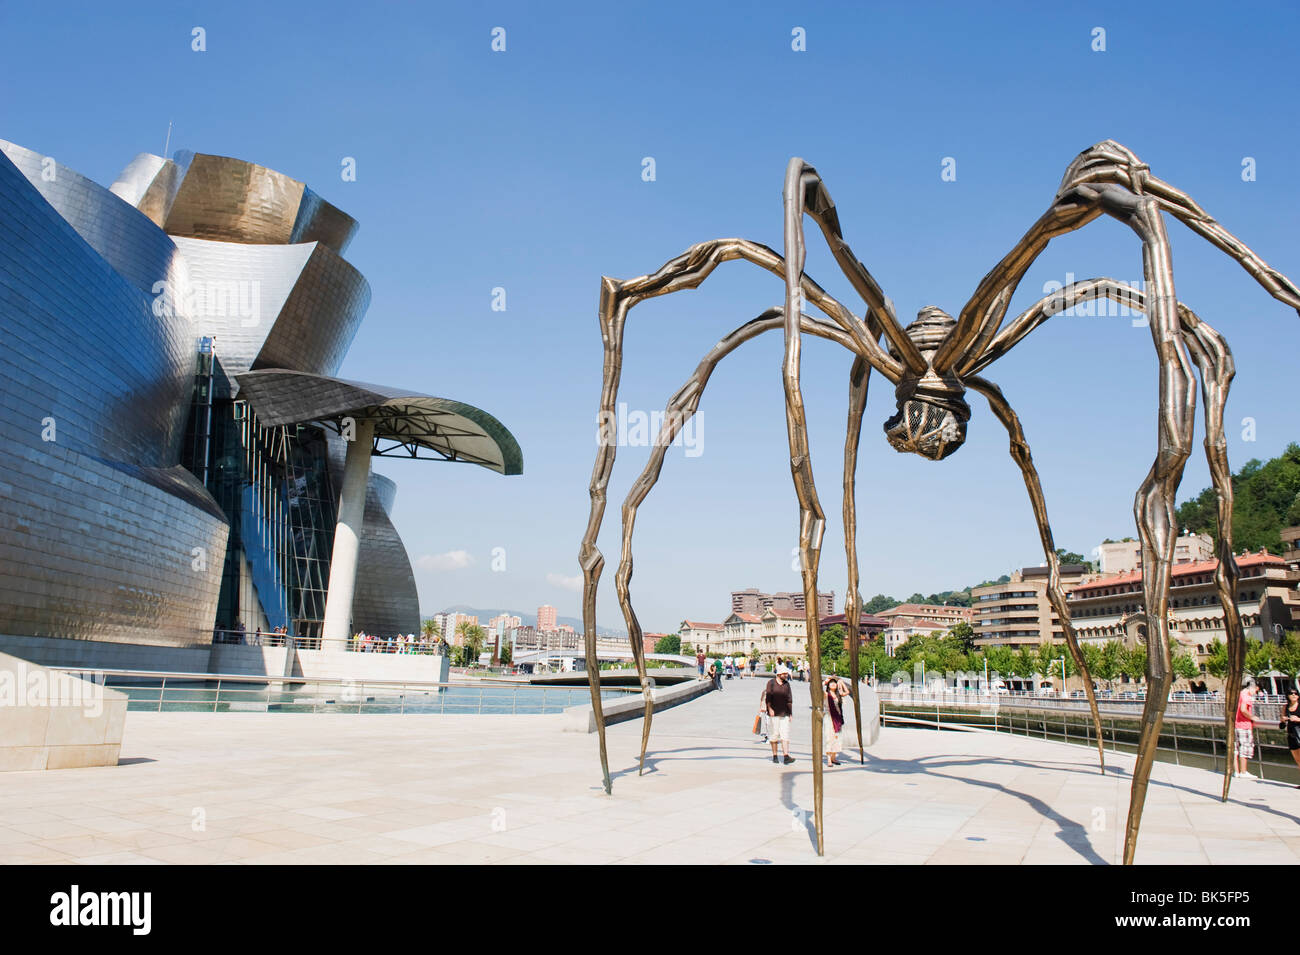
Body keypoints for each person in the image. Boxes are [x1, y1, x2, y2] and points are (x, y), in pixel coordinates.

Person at [1235, 678, 1265, 779]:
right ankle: (1243, 772)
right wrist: (1252, 717)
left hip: (1236, 724)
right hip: (1244, 725)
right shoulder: (1247, 696)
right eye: (1256, 691)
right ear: (1255, 688)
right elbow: (1243, 709)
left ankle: (1236, 771)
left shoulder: (1239, 693)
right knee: (1245, 748)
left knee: (1236, 749)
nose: (1255, 693)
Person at [765, 666, 795, 764]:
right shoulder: (771, 683)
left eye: (786, 674)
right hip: (774, 713)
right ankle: (775, 755)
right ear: (779, 674)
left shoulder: (787, 684)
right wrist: (770, 708)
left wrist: (790, 713)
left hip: (784, 712)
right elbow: (768, 697)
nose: (786, 676)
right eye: (784, 674)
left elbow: (789, 699)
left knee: (785, 735)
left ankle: (786, 756)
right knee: (774, 735)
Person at [824, 678, 847, 767]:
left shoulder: (838, 695)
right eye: (831, 683)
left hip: (837, 718)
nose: (833, 684)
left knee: (837, 738)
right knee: (829, 737)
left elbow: (847, 692)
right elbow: (818, 689)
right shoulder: (826, 694)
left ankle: (834, 757)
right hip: (829, 717)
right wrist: (826, 680)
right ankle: (829, 759)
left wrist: (841, 682)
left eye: (834, 683)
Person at [1281, 687, 1300, 785]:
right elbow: (1281, 726)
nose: (1294, 695)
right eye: (1291, 693)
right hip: (1292, 735)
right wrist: (1283, 720)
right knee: (1298, 760)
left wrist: (1297, 719)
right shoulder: (1285, 707)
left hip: (1299, 734)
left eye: (1296, 693)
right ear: (1287, 695)